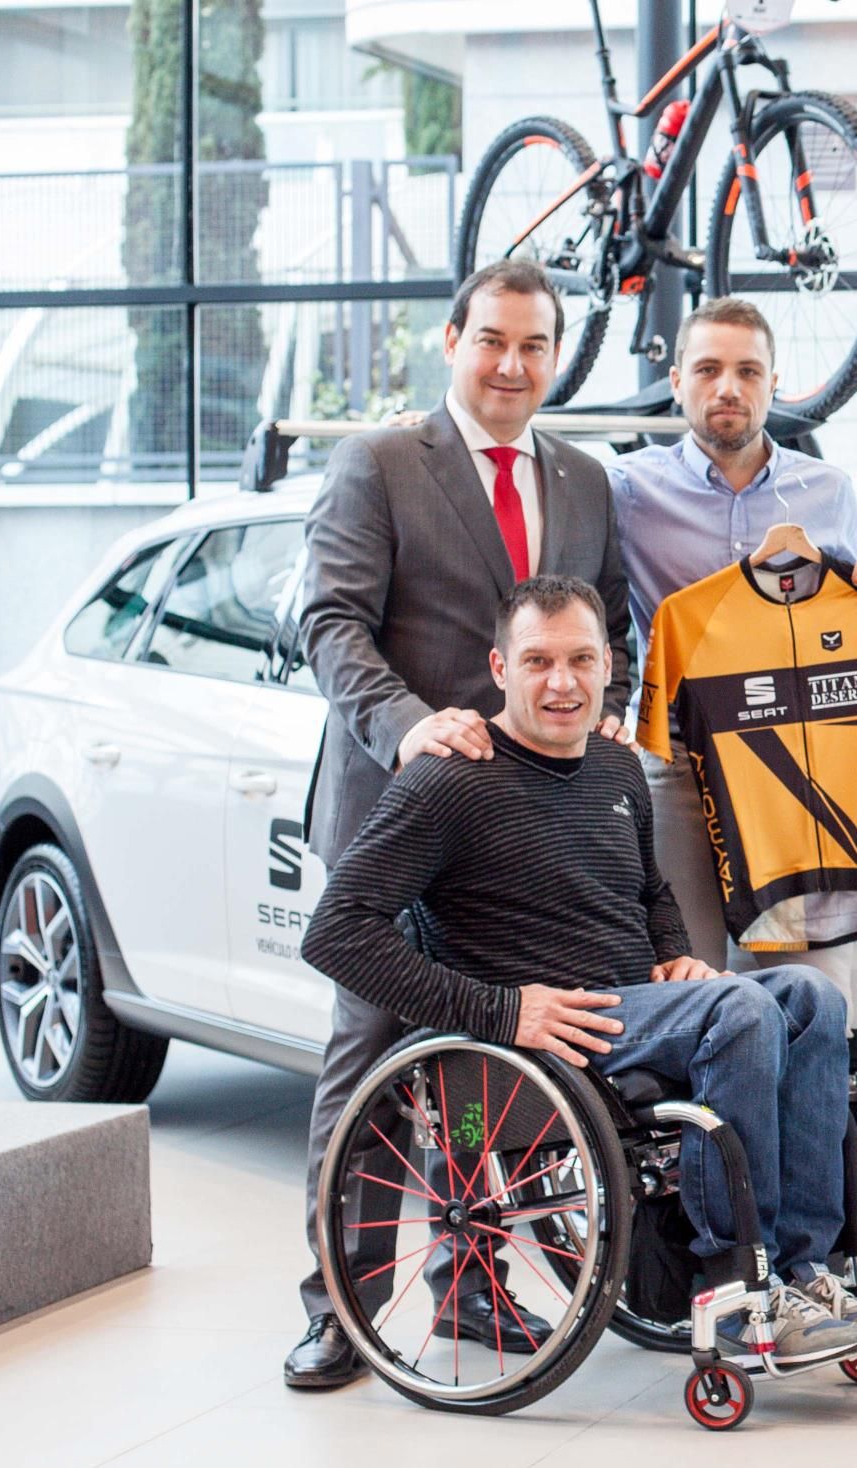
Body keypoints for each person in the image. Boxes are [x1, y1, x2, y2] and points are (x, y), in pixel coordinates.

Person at [301, 576, 857, 1362]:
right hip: (539, 1041)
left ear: (608, 667)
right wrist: (501, 1011)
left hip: (632, 1012)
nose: (563, 683)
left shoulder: (616, 769)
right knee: (743, 1010)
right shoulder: (447, 780)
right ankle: (735, 1285)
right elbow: (335, 934)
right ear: (499, 668)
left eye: (581, 660)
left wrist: (674, 952)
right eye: (538, 661)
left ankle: (801, 1271)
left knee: (812, 998)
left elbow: (649, 890)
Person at [285, 259, 635, 1388]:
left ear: (556, 356)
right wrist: (407, 725)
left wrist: (609, 717)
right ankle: (341, 1305)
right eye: (492, 340)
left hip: (533, 833)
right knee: (375, 1053)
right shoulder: (381, 463)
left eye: (534, 345)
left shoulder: (584, 479)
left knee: (501, 1069)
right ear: (452, 341)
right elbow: (331, 622)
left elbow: (612, 628)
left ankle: (472, 1288)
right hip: (407, 816)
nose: (512, 365)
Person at [607, 297, 857, 965]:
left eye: (748, 371)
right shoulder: (626, 489)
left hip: (797, 764)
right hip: (678, 765)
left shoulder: (829, 491)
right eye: (708, 369)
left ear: (773, 383)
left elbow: (846, 615)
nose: (728, 388)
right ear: (676, 380)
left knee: (809, 980)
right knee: (686, 976)